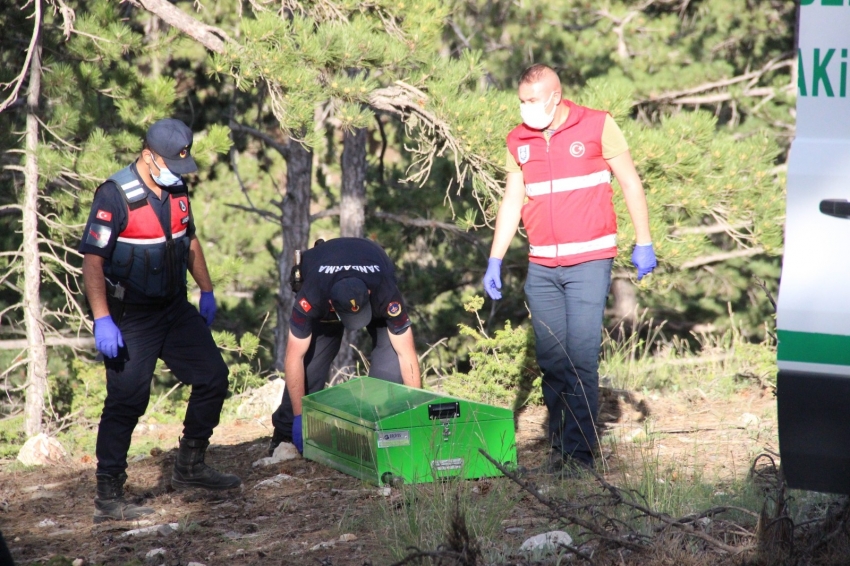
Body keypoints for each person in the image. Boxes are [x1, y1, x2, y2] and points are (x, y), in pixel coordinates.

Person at [483, 64, 657, 474]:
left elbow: (630, 181)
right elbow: (512, 200)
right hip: (542, 265)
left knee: (579, 359)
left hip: (589, 260)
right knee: (552, 360)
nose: (526, 108)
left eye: (533, 101)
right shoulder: (517, 140)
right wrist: (495, 256)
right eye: (521, 101)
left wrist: (644, 240)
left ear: (556, 97)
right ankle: (561, 447)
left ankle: (579, 456)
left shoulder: (597, 125)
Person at [80, 118, 241, 524]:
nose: (177, 171)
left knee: (212, 377)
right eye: (170, 163)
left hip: (173, 306)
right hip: (129, 314)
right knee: (127, 400)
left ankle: (190, 467)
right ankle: (109, 494)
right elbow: (93, 262)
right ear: (148, 157)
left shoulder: (177, 189)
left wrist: (205, 289)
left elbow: (189, 241)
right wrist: (103, 319)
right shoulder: (114, 196)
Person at [269, 237, 422, 455]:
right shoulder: (312, 295)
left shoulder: (384, 290)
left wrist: (415, 410)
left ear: (368, 294)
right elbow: (295, 358)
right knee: (312, 364)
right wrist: (297, 417)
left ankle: (382, 428)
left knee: (391, 370)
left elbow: (406, 353)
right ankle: (284, 434)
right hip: (324, 288)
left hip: (372, 271)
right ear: (332, 305)